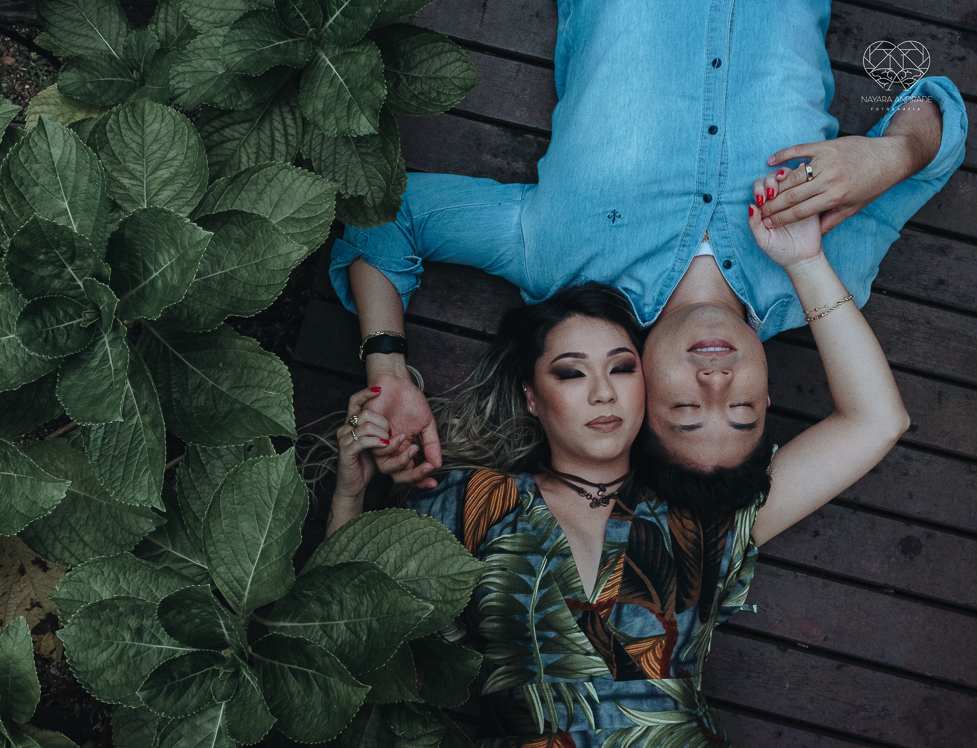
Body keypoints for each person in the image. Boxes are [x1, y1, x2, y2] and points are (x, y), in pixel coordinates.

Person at [326, 207, 909, 746]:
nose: (603, 393)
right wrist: (350, 491)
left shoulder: (703, 511)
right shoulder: (466, 505)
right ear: (533, 397)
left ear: (649, 388)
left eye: (622, 368)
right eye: (571, 373)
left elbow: (876, 421)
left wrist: (808, 259)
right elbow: (333, 637)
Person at [330, 0, 965, 488]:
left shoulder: (557, 258)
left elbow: (382, 213)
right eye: (742, 407)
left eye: (687, 407)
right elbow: (940, 116)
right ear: (768, 393)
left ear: (639, 397)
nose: (715, 380)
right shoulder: (829, 273)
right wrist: (893, 155)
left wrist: (386, 368)